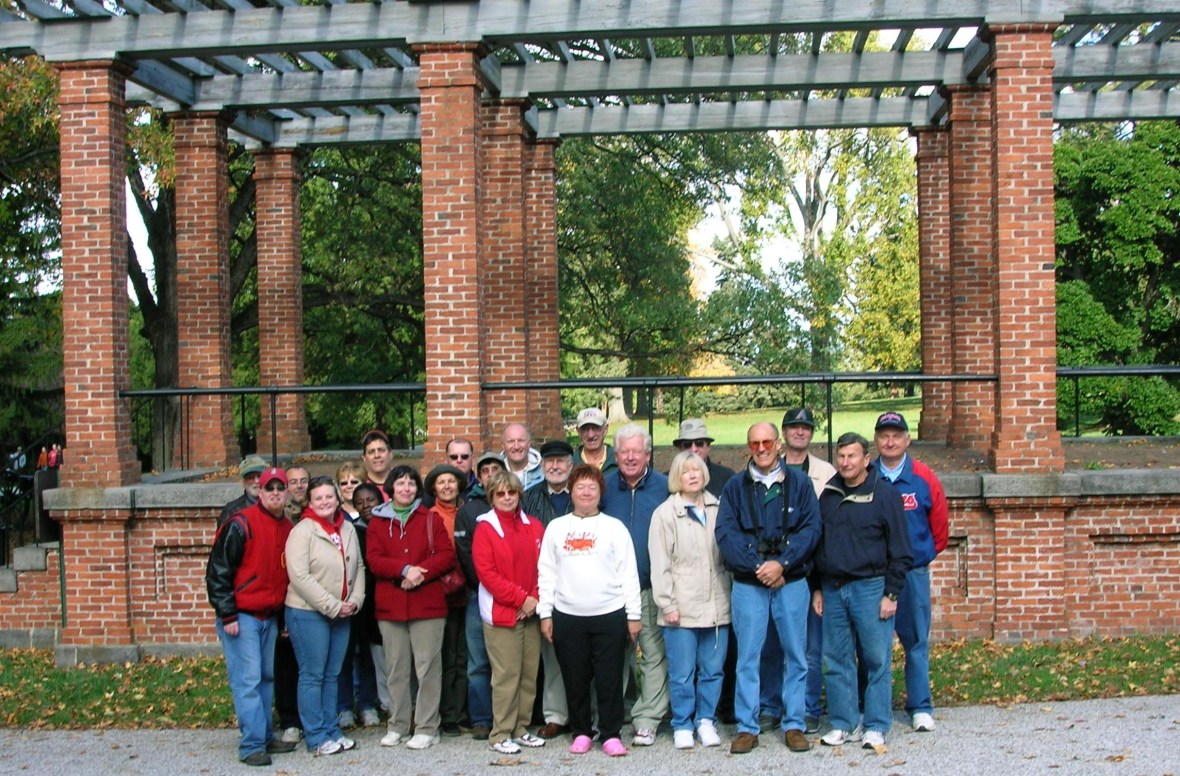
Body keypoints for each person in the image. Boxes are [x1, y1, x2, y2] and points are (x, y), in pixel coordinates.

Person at [714, 422, 821, 755]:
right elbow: (726, 534)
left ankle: (794, 724)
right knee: (748, 657)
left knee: (796, 654)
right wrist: (757, 567)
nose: (761, 449)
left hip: (791, 581)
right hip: (750, 584)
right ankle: (748, 725)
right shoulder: (734, 487)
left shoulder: (800, 484)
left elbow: (811, 530)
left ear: (778, 444)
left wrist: (783, 563)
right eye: (754, 443)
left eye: (766, 442)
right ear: (748, 447)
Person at [814, 433, 913, 751]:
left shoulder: (884, 495)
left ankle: (876, 725)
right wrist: (817, 587)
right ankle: (844, 722)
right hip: (833, 588)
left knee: (875, 659)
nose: (845, 462)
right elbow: (819, 545)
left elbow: (901, 550)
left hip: (871, 589)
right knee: (836, 658)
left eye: (852, 456)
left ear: (865, 459)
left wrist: (892, 593)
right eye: (841, 456)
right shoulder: (828, 495)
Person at [538, 465, 642, 758]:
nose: (586, 492)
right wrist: (546, 613)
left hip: (609, 613)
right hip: (568, 616)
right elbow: (547, 574)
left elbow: (628, 574)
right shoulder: (557, 529)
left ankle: (610, 734)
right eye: (580, 486)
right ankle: (582, 731)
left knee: (610, 678)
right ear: (571, 491)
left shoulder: (614, 528)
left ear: (600, 493)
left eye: (592, 487)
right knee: (575, 677)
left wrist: (633, 616)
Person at [205, 466, 299, 767]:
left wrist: (282, 619)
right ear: (259, 491)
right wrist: (227, 613)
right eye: (268, 488)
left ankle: (265, 734)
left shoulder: (287, 527)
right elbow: (218, 571)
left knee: (266, 678)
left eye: (279, 488)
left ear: (286, 493)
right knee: (247, 681)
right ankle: (251, 745)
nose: (274, 493)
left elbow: (285, 577)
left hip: (269, 616)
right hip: (241, 616)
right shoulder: (240, 523)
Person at [366, 465, 456, 750]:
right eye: (401, 483)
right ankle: (398, 724)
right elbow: (374, 560)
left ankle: (428, 726)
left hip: (427, 605)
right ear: (390, 488)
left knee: (428, 668)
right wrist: (404, 570)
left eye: (411, 484)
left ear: (418, 489)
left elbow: (446, 556)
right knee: (396, 668)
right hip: (391, 606)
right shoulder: (378, 522)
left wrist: (420, 573)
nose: (406, 488)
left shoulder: (430, 519)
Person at [649, 450, 731, 750]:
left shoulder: (719, 507)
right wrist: (667, 604)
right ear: (677, 477)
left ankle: (705, 720)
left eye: (697, 470)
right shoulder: (665, 514)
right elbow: (660, 564)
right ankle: (682, 723)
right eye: (686, 471)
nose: (693, 475)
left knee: (713, 669)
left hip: (717, 603)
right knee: (682, 672)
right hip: (680, 606)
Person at [872, 411, 948, 733]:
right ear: (876, 440)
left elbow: (940, 528)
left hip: (912, 574)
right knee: (873, 644)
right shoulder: (865, 474)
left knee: (915, 640)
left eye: (896, 435)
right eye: (884, 435)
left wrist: (920, 555)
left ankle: (920, 706)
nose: (890, 441)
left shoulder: (923, 477)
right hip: (874, 575)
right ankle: (874, 709)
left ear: (907, 439)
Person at [284, 476, 365, 757]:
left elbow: (359, 567)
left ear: (337, 498)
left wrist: (354, 601)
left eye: (329, 497)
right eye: (318, 498)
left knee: (332, 675)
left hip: (343, 612)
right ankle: (316, 736)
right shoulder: (302, 531)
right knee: (312, 675)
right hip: (308, 613)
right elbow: (300, 577)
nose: (324, 502)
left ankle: (331, 729)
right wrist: (332, 605)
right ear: (309, 501)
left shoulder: (346, 528)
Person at [600, 423, 669, 748]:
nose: (630, 457)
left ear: (648, 454)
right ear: (615, 455)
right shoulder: (602, 488)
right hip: (608, 589)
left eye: (636, 451)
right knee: (612, 654)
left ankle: (647, 719)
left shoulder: (665, 487)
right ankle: (613, 716)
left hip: (649, 586)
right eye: (624, 451)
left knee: (652, 654)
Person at [472, 471, 547, 754]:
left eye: (511, 493)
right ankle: (500, 732)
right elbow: (488, 574)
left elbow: (545, 567)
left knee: (529, 674)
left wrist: (534, 600)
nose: (506, 498)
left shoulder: (534, 526)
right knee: (506, 676)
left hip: (530, 612)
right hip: (502, 614)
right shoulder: (485, 529)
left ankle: (520, 728)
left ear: (519, 495)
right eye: (500, 494)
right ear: (491, 497)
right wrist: (520, 600)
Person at [781, 407, 837, 733]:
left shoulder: (826, 472)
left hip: (812, 573)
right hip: (775, 574)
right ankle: (773, 707)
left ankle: (808, 708)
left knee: (812, 648)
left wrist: (819, 583)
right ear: (785, 431)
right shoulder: (768, 469)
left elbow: (828, 530)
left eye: (805, 427)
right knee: (776, 648)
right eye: (794, 427)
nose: (799, 432)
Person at [521, 440, 575, 740]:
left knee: (583, 653)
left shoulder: (583, 492)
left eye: (561, 461)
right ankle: (556, 714)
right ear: (541, 466)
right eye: (549, 462)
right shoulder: (529, 498)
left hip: (580, 585)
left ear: (571, 464)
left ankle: (586, 713)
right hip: (544, 585)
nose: (554, 466)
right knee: (552, 653)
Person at [453, 451, 505, 741]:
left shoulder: (514, 503)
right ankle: (482, 718)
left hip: (510, 595)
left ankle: (510, 716)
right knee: (478, 661)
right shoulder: (469, 509)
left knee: (509, 661)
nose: (490, 474)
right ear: (479, 476)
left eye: (495, 468)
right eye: (484, 470)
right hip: (477, 594)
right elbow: (465, 553)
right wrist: (486, 584)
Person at [424, 463, 470, 737]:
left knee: (464, 656)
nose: (446, 487)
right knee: (445, 657)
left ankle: (462, 710)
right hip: (442, 594)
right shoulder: (429, 516)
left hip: (469, 592)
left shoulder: (467, 513)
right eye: (441, 482)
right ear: (433, 488)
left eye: (451, 482)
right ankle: (447, 713)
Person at [336, 480, 383, 730]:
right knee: (345, 656)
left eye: (370, 500)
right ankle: (344, 707)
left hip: (377, 601)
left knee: (368, 656)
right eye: (360, 502)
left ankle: (367, 704)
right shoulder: (351, 531)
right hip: (353, 600)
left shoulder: (387, 526)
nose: (366, 506)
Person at [670, 419, 735, 497]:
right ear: (680, 448)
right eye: (687, 444)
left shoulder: (726, 477)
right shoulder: (667, 480)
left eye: (699, 443)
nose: (694, 449)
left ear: (708, 446)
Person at [218, 455, 267, 528]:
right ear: (242, 482)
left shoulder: (275, 506)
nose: (256, 481)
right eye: (250, 477)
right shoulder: (232, 511)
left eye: (259, 476)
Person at [572, 408, 616, 474]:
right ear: (578, 432)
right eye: (585, 429)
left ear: (605, 429)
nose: (591, 435)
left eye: (596, 428)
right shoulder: (571, 463)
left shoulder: (618, 459)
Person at [500, 423, 543, 490]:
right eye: (511, 441)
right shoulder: (496, 474)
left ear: (529, 444)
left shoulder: (544, 474)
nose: (516, 446)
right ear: (503, 446)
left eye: (521, 440)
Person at [361, 430, 393, 496]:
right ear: (364, 458)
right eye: (371, 452)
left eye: (381, 450)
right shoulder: (359, 485)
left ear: (391, 454)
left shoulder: (402, 484)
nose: (377, 455)